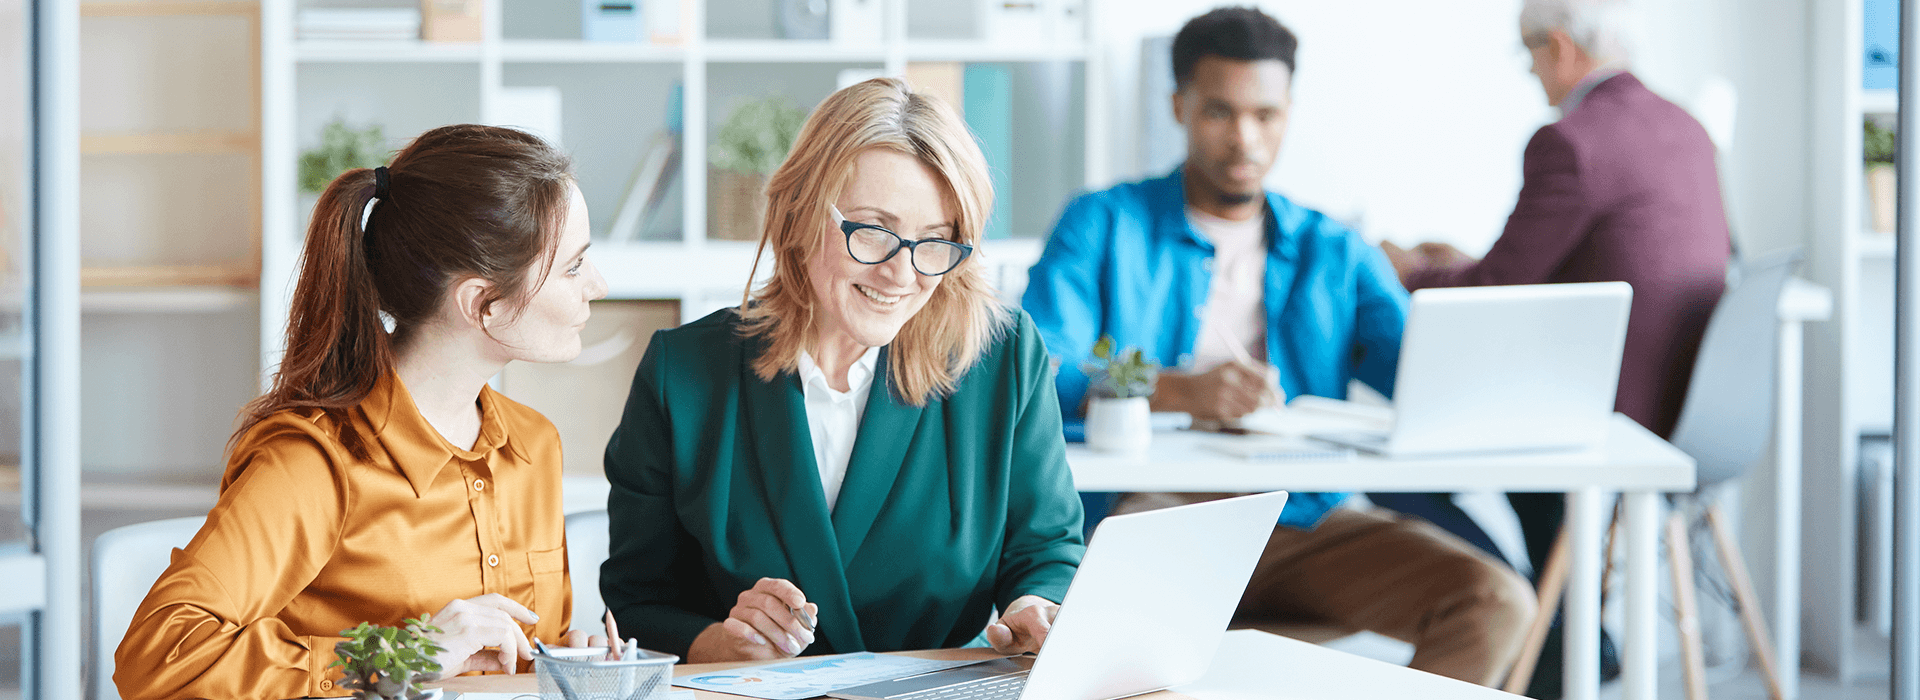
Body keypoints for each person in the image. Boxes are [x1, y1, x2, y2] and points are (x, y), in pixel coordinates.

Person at [1022, 8, 1536, 687]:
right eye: (1219, 112)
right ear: (1178, 105)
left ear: (1290, 112)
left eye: (1266, 115)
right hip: (1153, 526)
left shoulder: (1335, 249)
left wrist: (1494, 352)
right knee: (1132, 676)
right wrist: (1177, 389)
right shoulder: (1103, 222)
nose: (1245, 138)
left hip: (1296, 522)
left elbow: (1423, 375)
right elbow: (1036, 368)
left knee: (1496, 601)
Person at [115, 124, 610, 700]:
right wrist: (402, 655)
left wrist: (567, 660)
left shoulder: (533, 444)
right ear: (484, 304)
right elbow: (160, 655)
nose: (598, 285)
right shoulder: (314, 461)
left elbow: (511, 658)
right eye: (574, 267)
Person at [599, 77, 1084, 663]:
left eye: (935, 241)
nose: (902, 275)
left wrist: (1034, 606)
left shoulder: (1002, 358)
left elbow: (1045, 550)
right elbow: (637, 601)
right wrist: (722, 643)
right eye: (874, 232)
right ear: (800, 214)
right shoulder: (683, 373)